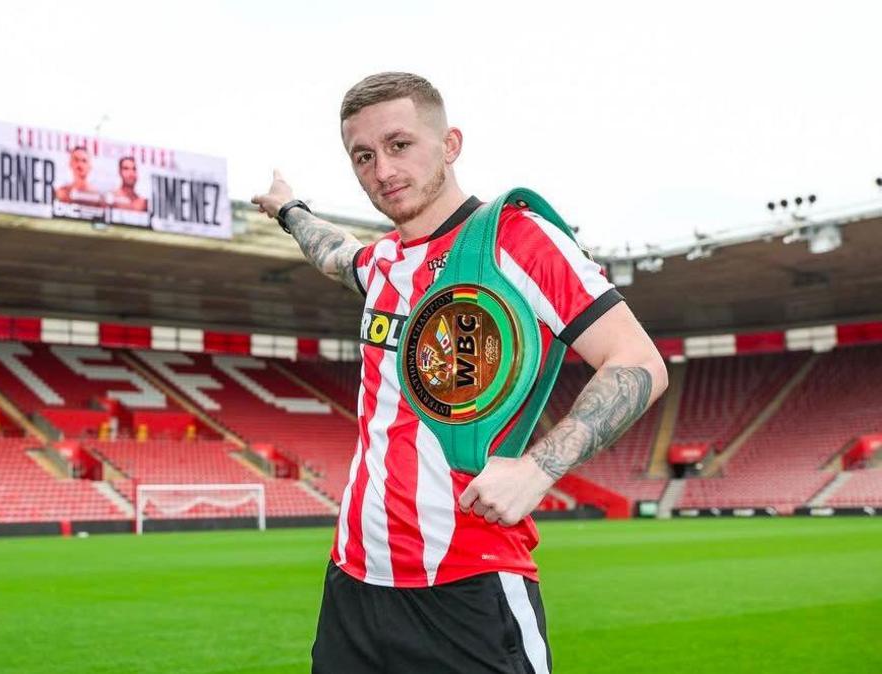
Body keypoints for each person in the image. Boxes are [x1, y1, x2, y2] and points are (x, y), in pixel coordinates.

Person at [252, 72, 668, 673]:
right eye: (362, 156)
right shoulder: (382, 263)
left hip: (468, 587)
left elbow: (638, 361)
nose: (382, 170)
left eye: (400, 145)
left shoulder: (517, 240)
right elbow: (334, 253)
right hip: (353, 583)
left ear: (450, 143)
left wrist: (539, 468)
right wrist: (290, 210)